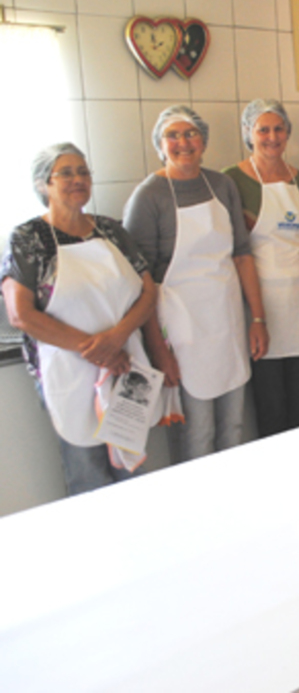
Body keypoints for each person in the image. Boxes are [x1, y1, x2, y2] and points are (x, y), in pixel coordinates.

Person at [1, 143, 156, 494]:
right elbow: (21, 315)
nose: (78, 179)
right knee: (87, 471)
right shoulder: (27, 239)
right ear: (43, 185)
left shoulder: (110, 230)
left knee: (130, 466)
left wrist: (116, 339)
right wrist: (97, 350)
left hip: (124, 362)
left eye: (83, 172)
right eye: (66, 173)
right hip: (68, 368)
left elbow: (148, 292)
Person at [123, 105, 268, 463]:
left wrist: (258, 319)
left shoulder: (221, 185)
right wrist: (159, 348)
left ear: (203, 141)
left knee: (233, 427)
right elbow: (141, 283)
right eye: (173, 135)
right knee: (197, 433)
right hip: (182, 331)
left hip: (227, 321)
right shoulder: (149, 196)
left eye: (191, 134)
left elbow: (242, 254)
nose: (183, 143)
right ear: (160, 144)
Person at [224, 100, 299, 437]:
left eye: (278, 129)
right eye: (263, 130)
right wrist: (256, 318)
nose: (272, 137)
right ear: (249, 133)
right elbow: (234, 252)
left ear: (287, 133)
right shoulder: (232, 181)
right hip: (260, 310)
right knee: (269, 409)